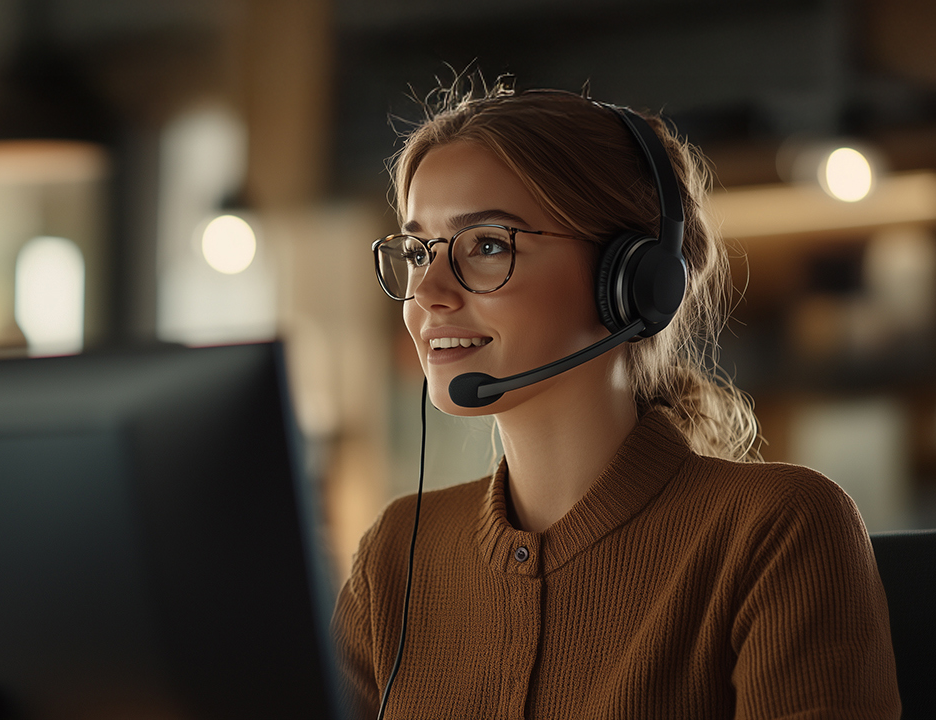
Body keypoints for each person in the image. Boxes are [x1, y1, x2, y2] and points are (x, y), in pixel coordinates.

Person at [334, 85, 902, 720]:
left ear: (630, 279)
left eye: (488, 244)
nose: (429, 292)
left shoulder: (775, 531)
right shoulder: (398, 554)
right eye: (417, 253)